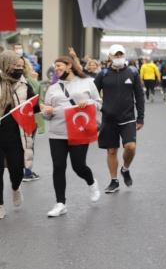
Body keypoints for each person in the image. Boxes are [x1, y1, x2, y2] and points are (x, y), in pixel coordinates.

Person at [41, 55, 102, 217]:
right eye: (55, 67)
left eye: (60, 65)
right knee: (58, 167)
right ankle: (60, 203)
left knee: (78, 166)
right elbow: (46, 112)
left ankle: (91, 182)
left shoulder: (87, 82)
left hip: (79, 131)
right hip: (57, 133)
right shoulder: (53, 88)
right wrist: (46, 112)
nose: (57, 69)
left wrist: (87, 103)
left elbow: (98, 103)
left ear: (69, 66)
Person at [94, 45, 145, 194]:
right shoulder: (103, 74)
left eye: (120, 55)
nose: (118, 58)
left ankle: (125, 168)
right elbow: (92, 93)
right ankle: (114, 181)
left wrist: (140, 117)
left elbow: (139, 96)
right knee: (111, 151)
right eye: (115, 55)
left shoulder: (132, 72)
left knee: (130, 147)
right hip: (108, 118)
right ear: (109, 57)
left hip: (128, 118)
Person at [0, 51, 39, 220]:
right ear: (5, 64)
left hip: (17, 135)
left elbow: (33, 105)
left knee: (17, 172)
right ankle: (0, 204)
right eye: (15, 66)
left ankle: (15, 188)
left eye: (21, 66)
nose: (19, 69)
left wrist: (43, 107)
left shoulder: (24, 85)